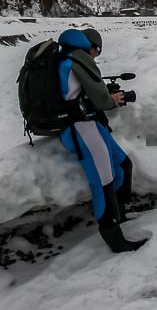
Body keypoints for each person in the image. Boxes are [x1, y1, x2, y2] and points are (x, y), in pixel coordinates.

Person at [57, 27, 147, 253]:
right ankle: (114, 238)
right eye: (97, 51)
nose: (96, 56)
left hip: (89, 125)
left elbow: (81, 93)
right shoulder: (79, 60)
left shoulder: (68, 59)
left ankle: (121, 214)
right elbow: (101, 100)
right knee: (104, 183)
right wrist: (112, 98)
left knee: (123, 164)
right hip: (82, 129)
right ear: (91, 47)